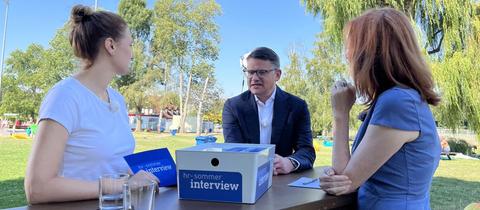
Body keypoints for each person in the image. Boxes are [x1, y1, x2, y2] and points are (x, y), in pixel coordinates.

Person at [24, 5, 158, 204]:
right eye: (130, 45)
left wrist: (144, 177)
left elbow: (113, 164)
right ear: (110, 45)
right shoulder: (64, 97)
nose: (132, 54)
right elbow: (37, 188)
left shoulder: (117, 99)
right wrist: (123, 185)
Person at [319, 8, 442, 209]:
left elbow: (344, 181)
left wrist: (340, 114)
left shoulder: (398, 102)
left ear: (370, 54)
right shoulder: (403, 98)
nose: (347, 56)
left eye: (352, 48)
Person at [222, 47, 315, 175]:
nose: (254, 78)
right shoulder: (233, 107)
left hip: (283, 183)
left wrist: (290, 163)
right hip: (246, 179)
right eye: (250, 72)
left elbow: (306, 151)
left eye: (261, 72)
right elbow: (233, 150)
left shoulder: (297, 106)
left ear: (277, 75)